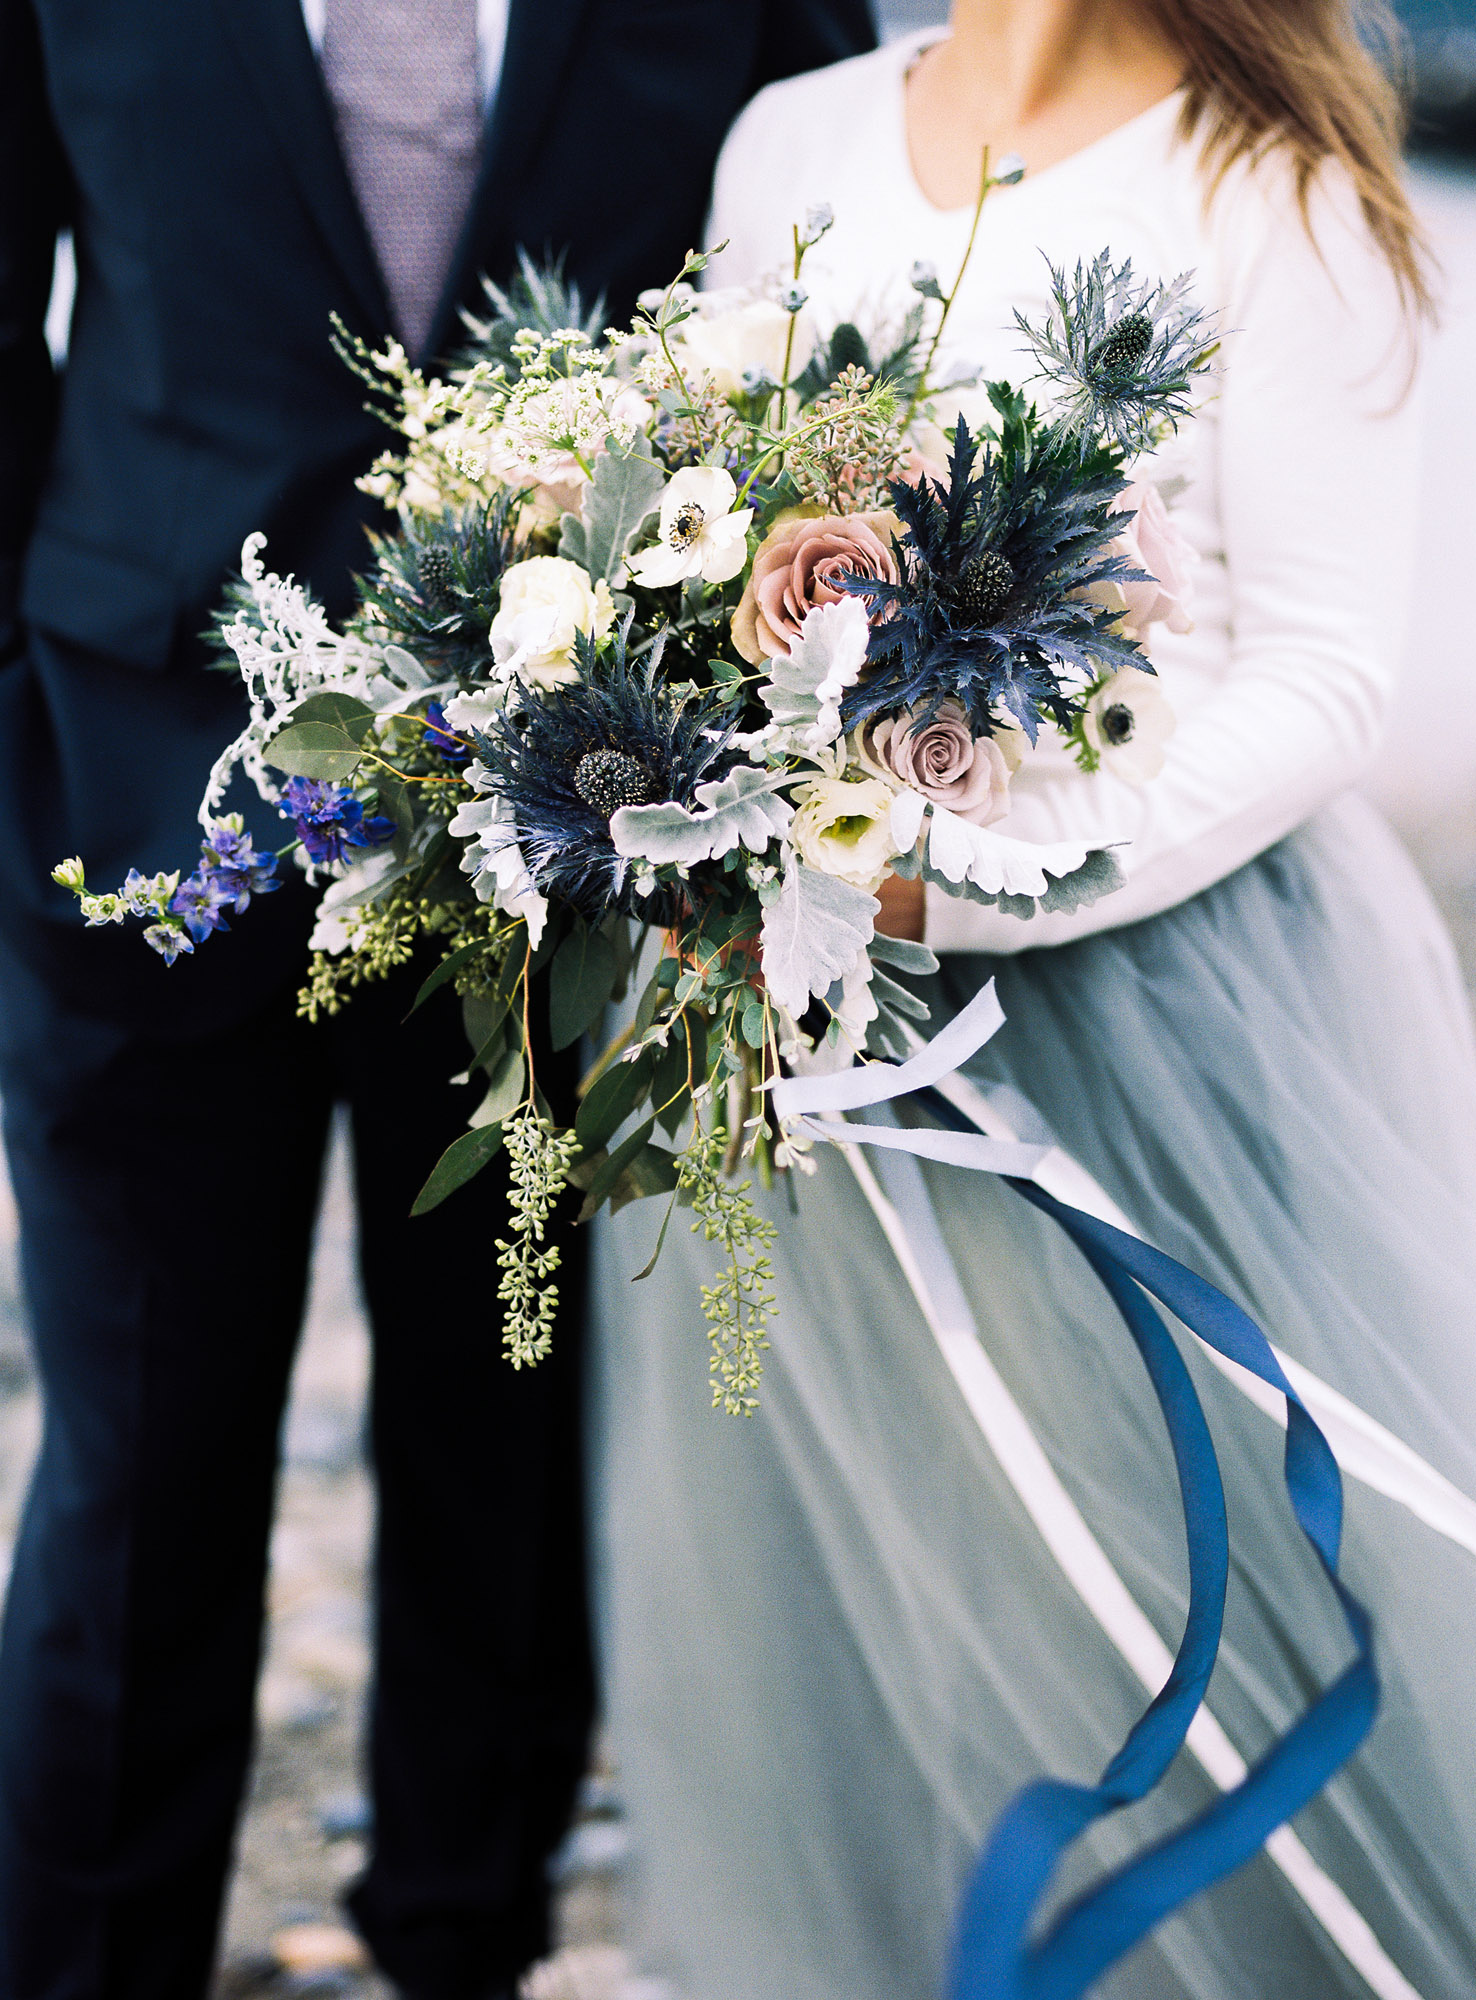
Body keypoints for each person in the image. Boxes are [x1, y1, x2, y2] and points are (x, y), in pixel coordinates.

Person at [591, 2, 1476, 1995]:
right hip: (820, 1024)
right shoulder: (792, 143)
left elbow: (1333, 669)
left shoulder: (1275, 179)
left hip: (1168, 1018)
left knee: (1158, 1564)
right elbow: (696, 545)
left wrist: (1005, 883)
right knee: (875, 1573)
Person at [0, 3, 876, 1996]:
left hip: (578, 807)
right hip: (144, 782)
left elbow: (835, 244)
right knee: (135, 1478)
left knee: (509, 1447)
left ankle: (463, 1946)